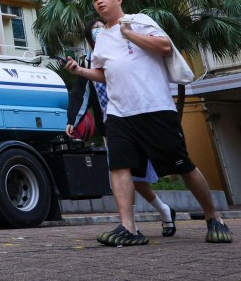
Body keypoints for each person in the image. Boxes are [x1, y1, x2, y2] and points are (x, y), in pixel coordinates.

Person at [65, 0, 232, 246]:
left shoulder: (139, 21)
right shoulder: (102, 40)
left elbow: (165, 47)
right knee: (119, 167)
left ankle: (214, 217)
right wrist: (80, 71)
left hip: (154, 107)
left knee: (182, 165)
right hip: (119, 113)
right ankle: (129, 228)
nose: (99, 2)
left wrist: (129, 34)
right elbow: (103, 75)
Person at [65, 19, 176, 237]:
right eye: (94, 29)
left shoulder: (126, 48)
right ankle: (130, 226)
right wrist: (73, 120)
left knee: (144, 174)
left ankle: (168, 212)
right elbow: (83, 93)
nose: (99, 31)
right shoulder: (90, 61)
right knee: (123, 174)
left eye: (101, 26)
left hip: (140, 117)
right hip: (113, 124)